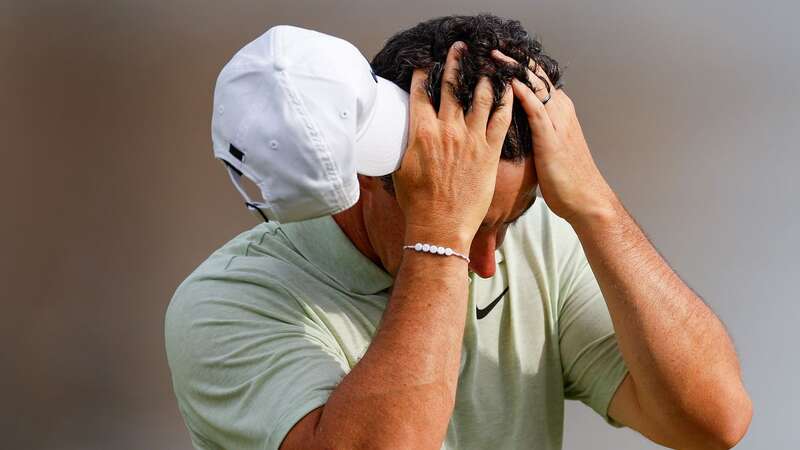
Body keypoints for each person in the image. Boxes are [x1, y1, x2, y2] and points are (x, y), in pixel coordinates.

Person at [165, 14, 752, 450]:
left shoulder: (539, 239)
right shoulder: (225, 304)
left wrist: (597, 207)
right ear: (371, 177)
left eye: (509, 221)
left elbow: (712, 421)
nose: (488, 262)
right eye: (473, 222)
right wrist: (442, 234)